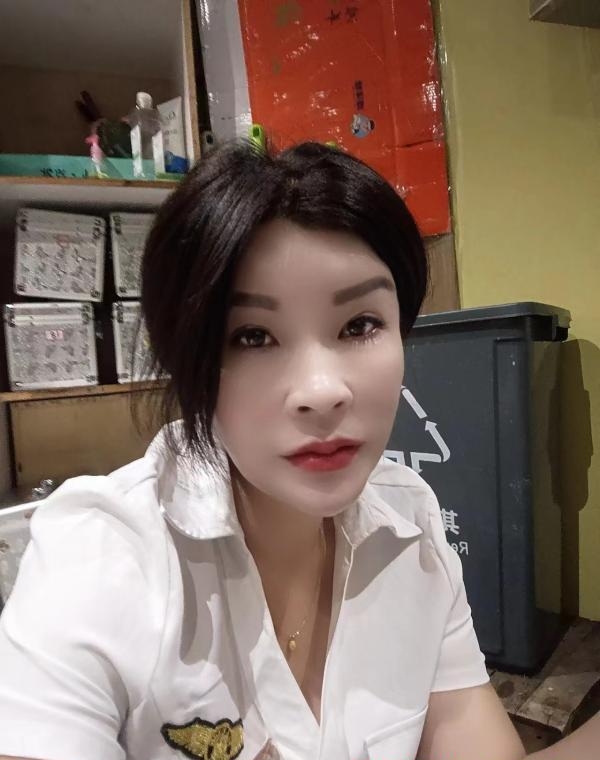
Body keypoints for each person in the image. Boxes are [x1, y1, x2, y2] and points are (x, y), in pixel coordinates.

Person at [0, 142, 597, 760]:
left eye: (360, 325)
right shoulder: (102, 558)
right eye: (252, 336)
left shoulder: (410, 523)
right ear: (189, 359)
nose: (321, 391)